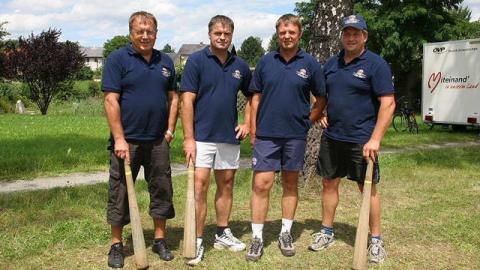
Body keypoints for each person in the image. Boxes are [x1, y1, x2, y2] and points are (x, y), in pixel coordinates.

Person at [309, 14, 395, 264]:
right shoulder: (332, 64)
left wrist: (375, 139)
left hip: (362, 140)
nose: (350, 37)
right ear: (342, 35)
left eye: (356, 33)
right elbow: (318, 90)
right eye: (347, 32)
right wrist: (320, 111)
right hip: (333, 137)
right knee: (329, 184)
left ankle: (376, 241)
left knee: (367, 189)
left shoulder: (375, 64)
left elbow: (388, 104)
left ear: (364, 36)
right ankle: (326, 231)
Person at [245, 14, 327, 262]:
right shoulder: (266, 61)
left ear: (299, 34)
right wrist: (253, 128)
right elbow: (254, 97)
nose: (287, 36)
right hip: (267, 135)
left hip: (295, 135)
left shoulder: (310, 64)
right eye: (283, 32)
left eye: (292, 32)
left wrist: (309, 119)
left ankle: (285, 233)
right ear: (277, 34)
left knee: (291, 184)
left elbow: (321, 97)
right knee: (262, 184)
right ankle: (257, 237)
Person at [102, 11, 178, 268]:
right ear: (131, 33)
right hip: (128, 142)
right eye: (140, 31)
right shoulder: (118, 59)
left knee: (162, 188)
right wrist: (119, 138)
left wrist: (169, 130)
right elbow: (111, 100)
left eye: (150, 31)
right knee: (119, 192)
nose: (145, 35)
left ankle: (159, 239)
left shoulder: (166, 61)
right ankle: (116, 245)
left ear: (156, 33)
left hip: (158, 141)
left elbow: (173, 97)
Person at [180, 15, 252, 266]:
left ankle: (222, 232)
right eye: (217, 33)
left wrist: (247, 123)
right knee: (199, 186)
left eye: (226, 34)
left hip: (229, 137)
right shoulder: (197, 61)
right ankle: (198, 239)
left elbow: (252, 95)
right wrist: (188, 138)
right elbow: (186, 101)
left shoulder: (240, 66)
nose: (222, 37)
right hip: (201, 137)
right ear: (210, 34)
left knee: (227, 185)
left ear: (232, 35)